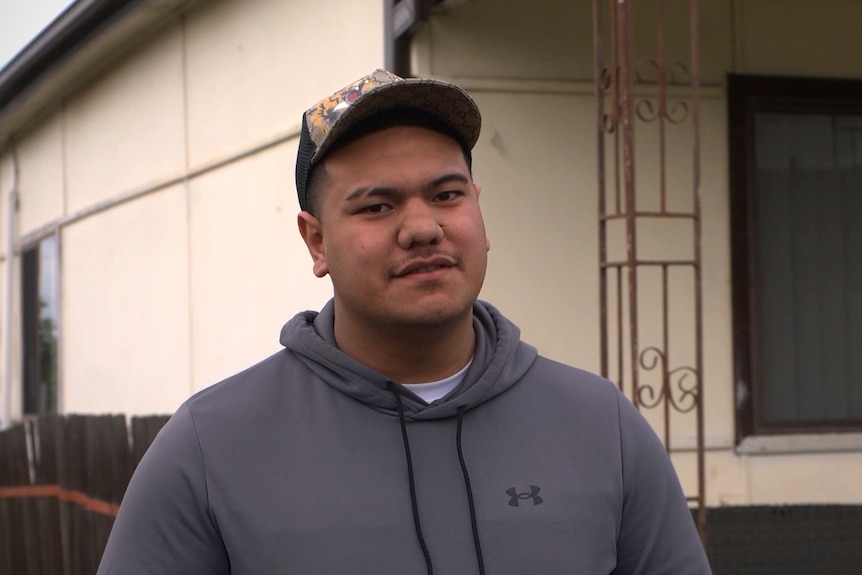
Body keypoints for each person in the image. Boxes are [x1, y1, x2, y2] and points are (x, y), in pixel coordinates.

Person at [97, 69, 712, 574]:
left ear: (479, 210)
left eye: (447, 195)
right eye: (378, 205)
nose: (423, 227)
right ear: (315, 243)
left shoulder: (599, 425)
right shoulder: (211, 449)